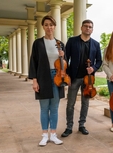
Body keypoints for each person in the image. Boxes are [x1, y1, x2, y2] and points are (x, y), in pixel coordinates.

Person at [61, 19, 102, 137]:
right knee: (70, 103)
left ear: (92, 30)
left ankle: (82, 125)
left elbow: (99, 61)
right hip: (74, 77)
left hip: (88, 80)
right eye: (85, 26)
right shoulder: (72, 41)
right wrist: (67, 75)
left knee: (85, 103)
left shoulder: (96, 44)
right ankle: (69, 126)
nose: (87, 28)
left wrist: (93, 68)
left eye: (90, 27)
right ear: (81, 28)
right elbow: (65, 59)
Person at [28, 15, 65, 146]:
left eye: (51, 25)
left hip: (57, 78)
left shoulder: (60, 44)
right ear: (43, 27)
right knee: (44, 108)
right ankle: (44, 135)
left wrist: (63, 56)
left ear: (54, 26)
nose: (49, 27)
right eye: (46, 24)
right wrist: (34, 80)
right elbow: (34, 62)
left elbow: (64, 65)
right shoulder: (38, 43)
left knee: (54, 107)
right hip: (43, 77)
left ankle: (53, 135)